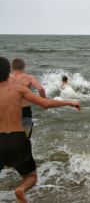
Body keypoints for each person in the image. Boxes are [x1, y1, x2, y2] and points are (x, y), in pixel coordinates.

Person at [0, 56, 80, 203]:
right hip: (17, 139)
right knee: (30, 176)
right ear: (7, 72)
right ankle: (20, 189)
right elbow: (45, 103)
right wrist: (70, 102)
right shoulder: (18, 89)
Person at [9, 58, 46, 138]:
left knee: (11, 135)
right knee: (26, 136)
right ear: (23, 67)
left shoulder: (7, 78)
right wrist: (44, 103)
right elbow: (41, 89)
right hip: (25, 109)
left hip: (11, 109)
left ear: (12, 67)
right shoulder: (29, 77)